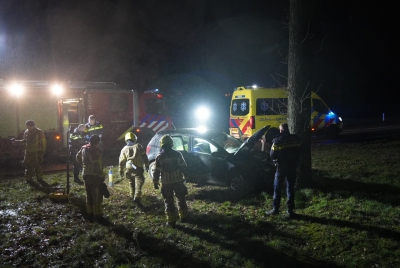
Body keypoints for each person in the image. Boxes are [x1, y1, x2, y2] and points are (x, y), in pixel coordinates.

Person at [266, 123, 302, 218]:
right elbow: (300, 150)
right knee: (290, 187)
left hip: (281, 168)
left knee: (277, 188)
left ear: (281, 130)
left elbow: (272, 155)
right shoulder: (296, 139)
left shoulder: (277, 141)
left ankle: (275, 209)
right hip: (293, 166)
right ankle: (290, 210)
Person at [152, 135, 189, 227]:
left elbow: (156, 171)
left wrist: (155, 182)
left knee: (168, 201)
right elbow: (183, 167)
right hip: (178, 181)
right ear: (172, 144)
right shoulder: (177, 154)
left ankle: (171, 221)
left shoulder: (159, 157)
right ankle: (184, 217)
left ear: (161, 145)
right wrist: (187, 176)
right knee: (181, 199)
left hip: (166, 183)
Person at [76, 135, 106, 222]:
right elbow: (96, 166)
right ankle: (98, 215)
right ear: (97, 142)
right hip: (94, 176)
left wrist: (85, 166)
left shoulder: (84, 148)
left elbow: (77, 157)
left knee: (88, 194)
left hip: (85, 174)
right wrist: (101, 175)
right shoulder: (95, 151)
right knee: (97, 195)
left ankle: (89, 212)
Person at [118, 132, 149, 206]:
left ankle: (132, 197)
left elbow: (121, 160)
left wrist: (121, 169)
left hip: (129, 168)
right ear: (134, 138)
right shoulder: (138, 146)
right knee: (139, 181)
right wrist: (147, 165)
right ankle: (137, 196)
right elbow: (144, 156)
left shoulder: (124, 149)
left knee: (131, 183)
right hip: (138, 167)